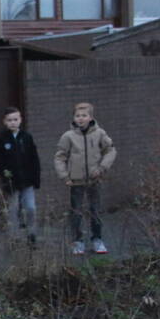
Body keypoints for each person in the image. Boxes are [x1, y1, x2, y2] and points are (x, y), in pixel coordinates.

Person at [54, 102, 116, 255]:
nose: (80, 119)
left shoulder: (100, 133)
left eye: (84, 115)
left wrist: (102, 168)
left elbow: (110, 150)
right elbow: (60, 157)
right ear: (74, 118)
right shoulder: (68, 136)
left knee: (95, 210)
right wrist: (64, 175)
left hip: (94, 180)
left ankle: (97, 240)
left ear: (91, 117)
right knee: (76, 212)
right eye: (77, 116)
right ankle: (77, 241)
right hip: (76, 181)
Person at [0, 107, 41, 245]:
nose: (13, 122)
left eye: (15, 119)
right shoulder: (1, 139)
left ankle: (32, 235)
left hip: (27, 180)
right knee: (13, 210)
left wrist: (36, 178)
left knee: (31, 208)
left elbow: (34, 159)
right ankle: (14, 237)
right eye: (10, 120)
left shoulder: (26, 137)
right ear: (4, 122)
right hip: (11, 182)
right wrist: (4, 178)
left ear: (20, 120)